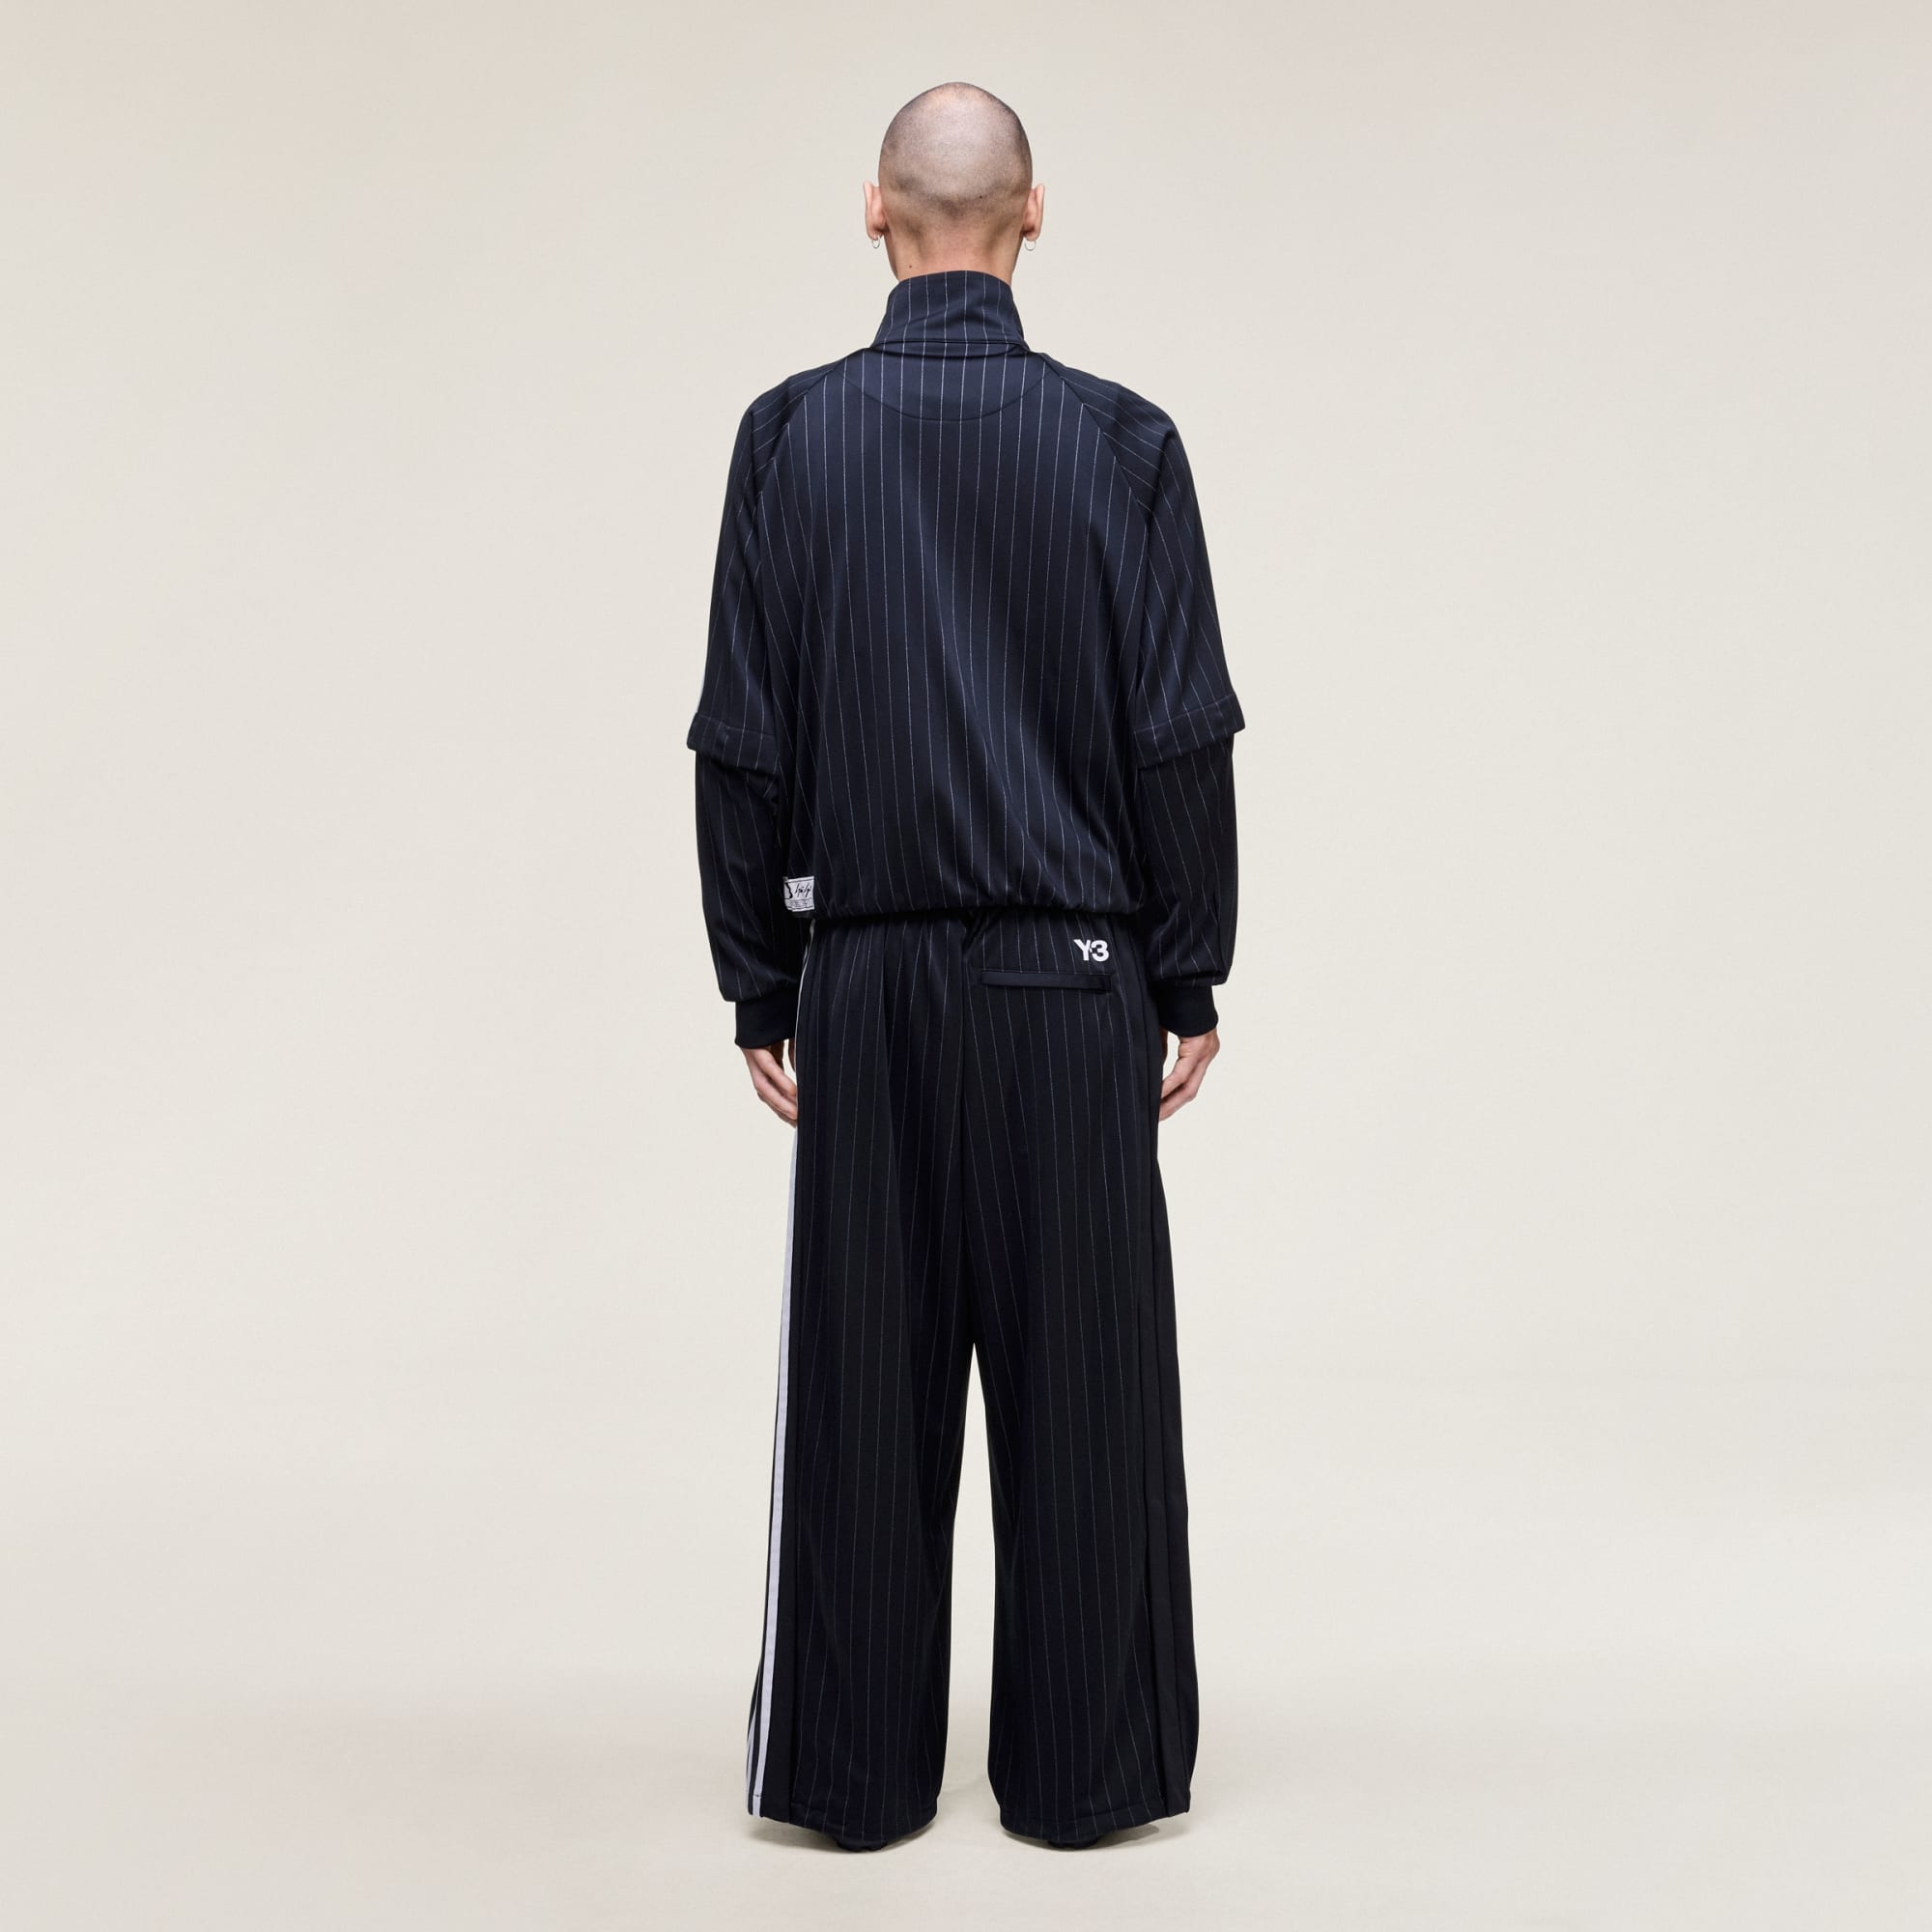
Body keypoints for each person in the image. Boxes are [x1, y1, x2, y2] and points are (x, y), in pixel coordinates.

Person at [685, 80, 1243, 1852]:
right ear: (1034, 216)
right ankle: (1086, 1779)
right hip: (1075, 978)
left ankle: (852, 1782)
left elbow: (742, 735)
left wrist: (761, 978)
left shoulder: (790, 439)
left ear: (874, 212)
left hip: (864, 976)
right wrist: (1187, 969)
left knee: (862, 1395)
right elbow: (1179, 732)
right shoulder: (1123, 445)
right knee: (1088, 1397)